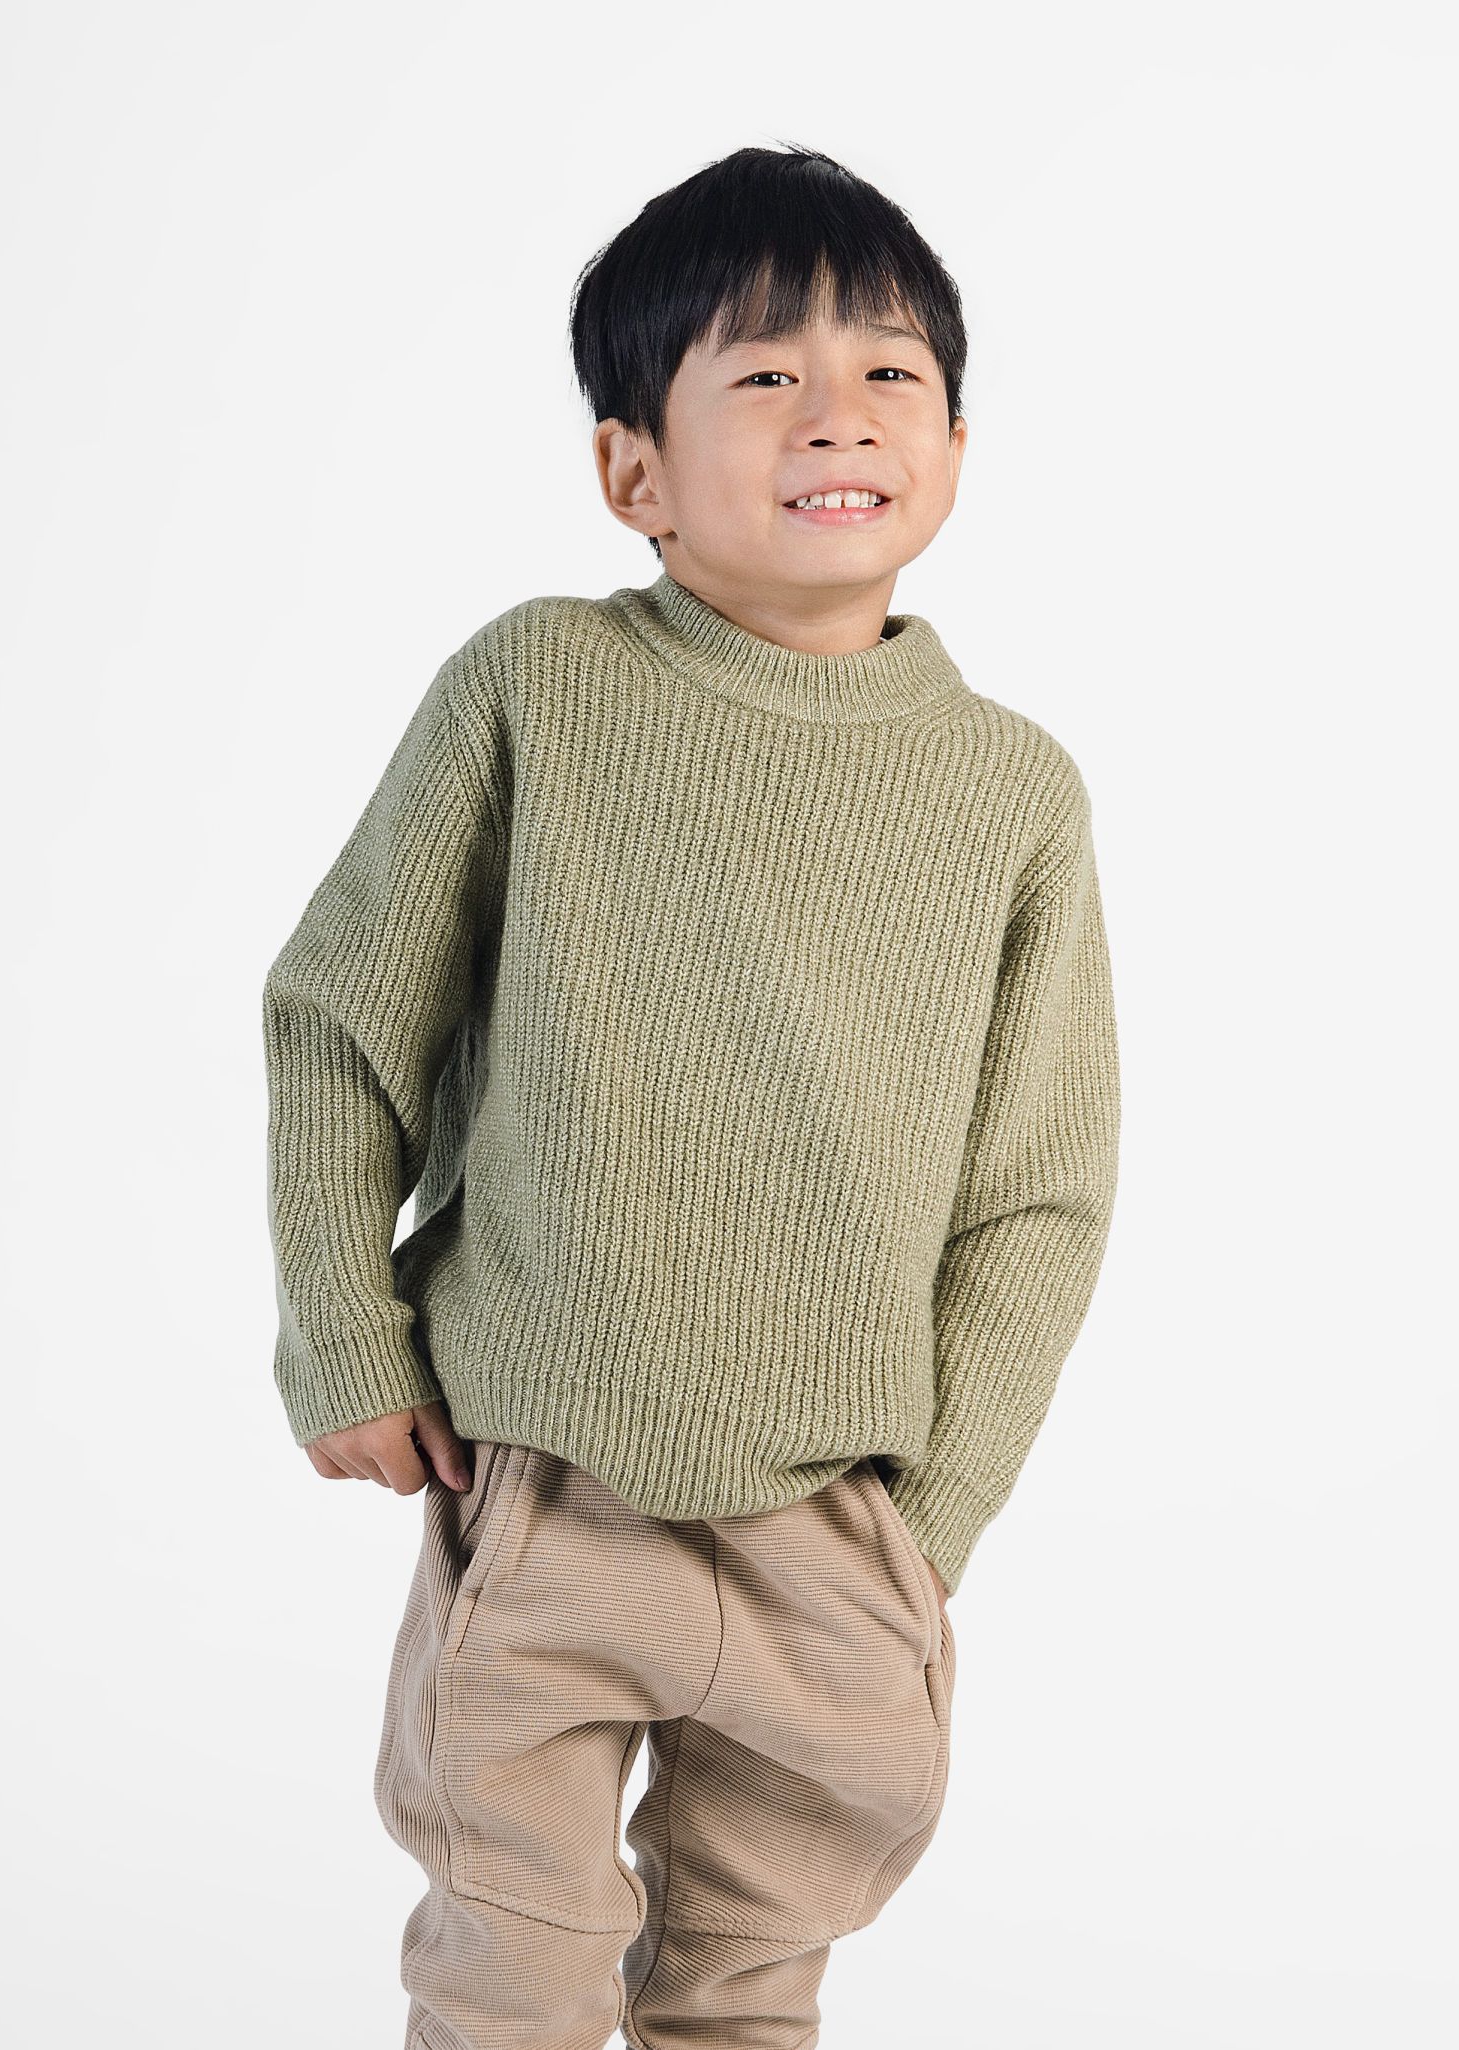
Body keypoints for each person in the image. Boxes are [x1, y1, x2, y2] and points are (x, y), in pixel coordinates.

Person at [262, 141, 1122, 2050]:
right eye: (764, 374)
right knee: (511, 1958)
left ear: (955, 448)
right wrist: (345, 1325)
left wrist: (932, 1515)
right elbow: (343, 1015)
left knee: (749, 1982)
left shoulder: (1012, 790)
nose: (839, 413)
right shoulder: (538, 687)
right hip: (544, 1471)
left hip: (840, 1513)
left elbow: (1037, 1191)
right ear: (631, 471)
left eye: (889, 372)